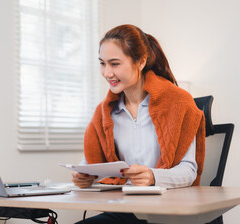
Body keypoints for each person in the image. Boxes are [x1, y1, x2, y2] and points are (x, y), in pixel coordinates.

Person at [72, 24, 205, 224]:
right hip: (125, 208)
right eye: (102, 63)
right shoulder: (104, 113)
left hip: (169, 211)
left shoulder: (179, 103)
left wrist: (153, 176)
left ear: (141, 61)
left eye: (115, 64)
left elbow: (189, 170)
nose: (107, 73)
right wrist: (84, 174)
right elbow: (92, 162)